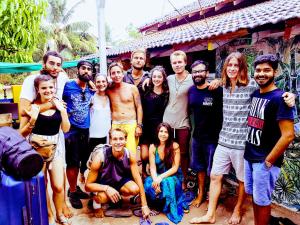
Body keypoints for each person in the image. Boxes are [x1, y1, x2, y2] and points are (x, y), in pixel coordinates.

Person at [190, 52, 295, 224]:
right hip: (223, 140)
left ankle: (238, 209)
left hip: (241, 143)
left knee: (241, 181)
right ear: (225, 68)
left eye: (236, 65)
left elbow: (273, 90)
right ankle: (210, 214)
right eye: (229, 65)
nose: (232, 69)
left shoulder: (252, 84)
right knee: (215, 176)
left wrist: (291, 96)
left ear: (242, 68)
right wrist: (216, 80)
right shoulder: (222, 86)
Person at [19, 51, 72, 219]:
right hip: (36, 137)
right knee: (42, 181)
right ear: (44, 64)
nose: (55, 67)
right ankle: (47, 211)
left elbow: (65, 124)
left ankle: (61, 207)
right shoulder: (31, 81)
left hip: (56, 135)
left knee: (58, 177)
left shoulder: (61, 79)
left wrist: (60, 110)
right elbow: (23, 111)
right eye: (51, 63)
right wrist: (50, 105)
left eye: (58, 64)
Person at [244, 54, 294, 225]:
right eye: (258, 70)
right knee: (256, 198)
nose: (261, 74)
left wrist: (268, 161)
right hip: (250, 155)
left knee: (263, 201)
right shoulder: (255, 94)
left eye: (267, 70)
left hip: (264, 160)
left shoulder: (280, 99)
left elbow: (288, 135)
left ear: (275, 72)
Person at [85, 128, 150, 219]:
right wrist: (107, 188)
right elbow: (87, 186)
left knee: (135, 189)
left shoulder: (129, 155)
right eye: (115, 139)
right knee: (101, 198)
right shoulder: (100, 157)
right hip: (100, 182)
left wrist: (144, 206)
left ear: (126, 140)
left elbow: (138, 180)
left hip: (117, 178)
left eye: (121, 139)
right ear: (110, 140)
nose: (118, 142)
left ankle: (115, 198)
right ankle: (95, 201)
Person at [188, 60, 223, 207]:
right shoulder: (191, 90)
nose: (197, 74)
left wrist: (220, 80)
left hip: (214, 138)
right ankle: (201, 194)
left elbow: (235, 84)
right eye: (195, 72)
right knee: (200, 168)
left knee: (213, 171)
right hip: (197, 137)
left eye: (200, 71)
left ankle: (213, 196)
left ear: (207, 73)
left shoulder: (216, 90)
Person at [63, 60, 94, 209]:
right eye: (83, 68)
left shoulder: (91, 88)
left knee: (83, 161)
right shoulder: (68, 86)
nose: (86, 71)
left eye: (89, 69)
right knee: (72, 163)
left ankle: (74, 187)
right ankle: (73, 193)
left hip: (85, 130)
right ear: (78, 70)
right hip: (71, 131)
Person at [144, 122, 189, 224]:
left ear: (169, 134)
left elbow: (175, 168)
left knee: (167, 182)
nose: (163, 134)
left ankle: (167, 206)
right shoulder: (152, 147)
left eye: (166, 132)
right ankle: (157, 205)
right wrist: (156, 179)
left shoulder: (174, 146)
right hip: (158, 175)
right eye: (161, 131)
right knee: (148, 182)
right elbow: (152, 167)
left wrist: (160, 179)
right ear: (157, 132)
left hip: (172, 176)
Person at [162, 50, 194, 182]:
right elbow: (155, 79)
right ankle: (169, 177)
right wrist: (147, 78)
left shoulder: (193, 79)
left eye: (180, 62)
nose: (177, 65)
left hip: (183, 122)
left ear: (185, 62)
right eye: (174, 63)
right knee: (167, 151)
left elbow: (207, 84)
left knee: (183, 153)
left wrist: (218, 82)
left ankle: (185, 178)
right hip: (167, 121)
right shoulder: (169, 78)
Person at [106, 62, 143, 155]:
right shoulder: (108, 89)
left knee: (130, 154)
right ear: (110, 75)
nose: (116, 75)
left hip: (130, 124)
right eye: (113, 73)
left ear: (123, 73)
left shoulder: (132, 88)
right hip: (116, 124)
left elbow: (139, 107)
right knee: (116, 153)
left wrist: (139, 126)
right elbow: (97, 88)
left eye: (118, 72)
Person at [139, 66, 169, 179]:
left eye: (159, 76)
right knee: (145, 155)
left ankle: (156, 173)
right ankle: (143, 171)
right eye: (154, 76)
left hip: (160, 128)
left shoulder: (167, 93)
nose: (156, 79)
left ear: (163, 78)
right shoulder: (146, 91)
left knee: (158, 154)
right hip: (146, 126)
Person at [88, 74, 111, 152]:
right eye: (98, 82)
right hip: (93, 135)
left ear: (107, 83)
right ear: (95, 83)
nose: (101, 84)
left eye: (103, 81)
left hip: (106, 134)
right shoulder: (91, 97)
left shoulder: (110, 97)